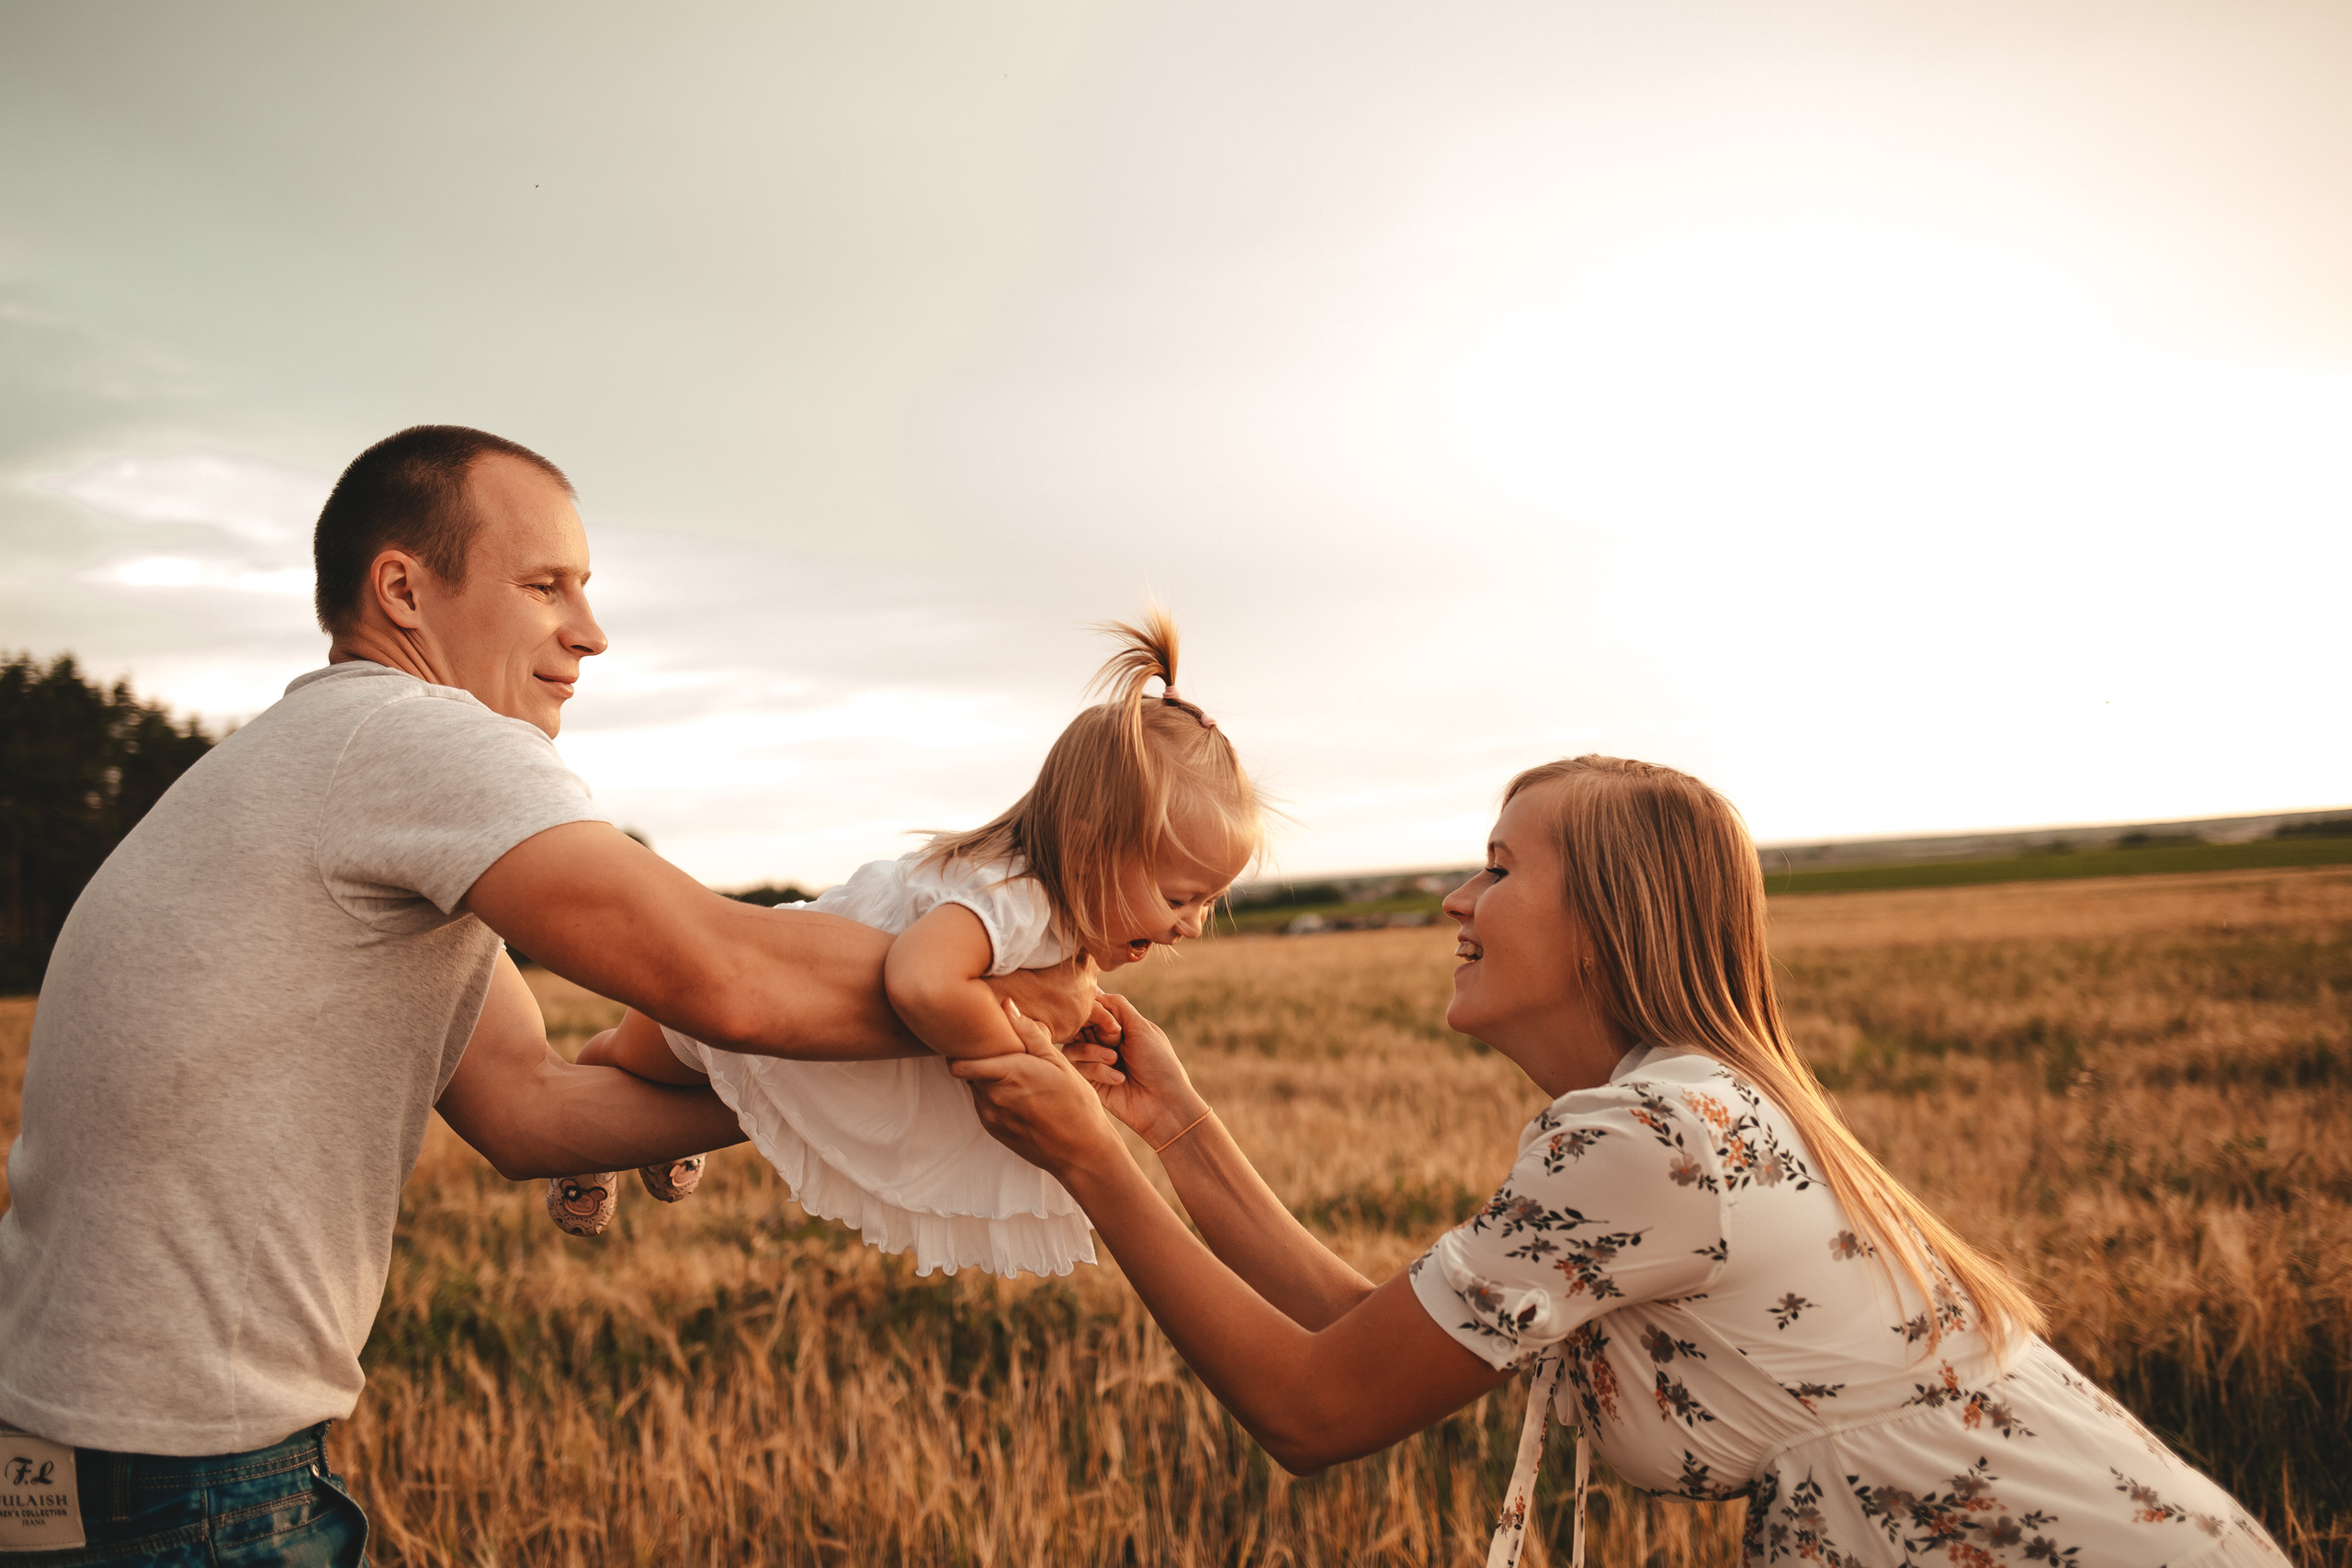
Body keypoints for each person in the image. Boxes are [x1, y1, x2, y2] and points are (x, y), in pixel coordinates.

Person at [0, 425, 1093, 1565]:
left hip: (69, 1461)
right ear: (404, 591)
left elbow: (532, 1112)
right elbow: (725, 976)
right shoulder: (412, 738)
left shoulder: (317, 773)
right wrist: (991, 996)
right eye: (544, 585)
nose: (591, 631)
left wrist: (843, 1081)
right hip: (195, 1491)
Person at [959, 755, 2290, 1567]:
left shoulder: (1645, 1138)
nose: (1452, 903)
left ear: (1601, 924)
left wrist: (1095, 1162)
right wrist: (1176, 1131)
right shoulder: (1679, 1111)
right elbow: (1374, 1337)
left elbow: (1314, 1411)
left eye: (1494, 868)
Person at [545, 610, 1263, 1280]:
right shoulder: (1012, 898)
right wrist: (1020, 1057)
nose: (1193, 924)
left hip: (819, 1033)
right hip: (772, 982)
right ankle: (591, 1089)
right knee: (646, 1060)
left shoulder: (1055, 925)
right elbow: (920, 982)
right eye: (1179, 897)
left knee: (706, 1099)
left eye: (1209, 901)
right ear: (1090, 846)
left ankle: (650, 1134)